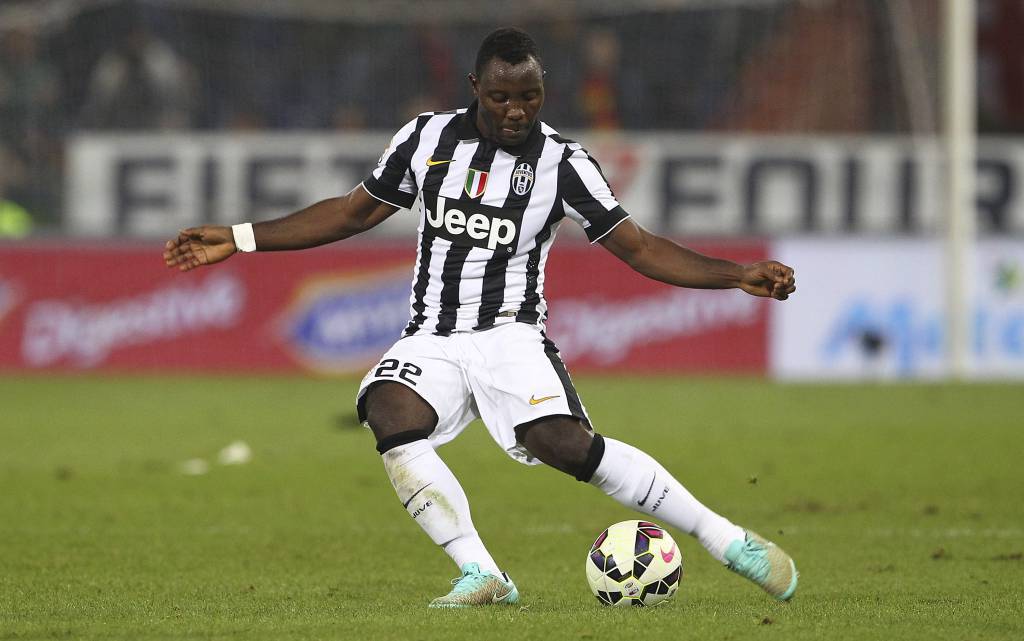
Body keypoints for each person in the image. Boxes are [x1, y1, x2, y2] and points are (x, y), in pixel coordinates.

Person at [163, 27, 798, 608]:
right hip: (432, 335)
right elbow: (352, 213)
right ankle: (482, 573)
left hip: (510, 334)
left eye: (529, 96)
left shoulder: (564, 163)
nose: (516, 110)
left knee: (564, 445)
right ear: (475, 88)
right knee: (389, 409)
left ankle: (725, 539)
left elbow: (641, 248)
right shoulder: (425, 139)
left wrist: (735, 274)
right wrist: (241, 237)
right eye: (501, 97)